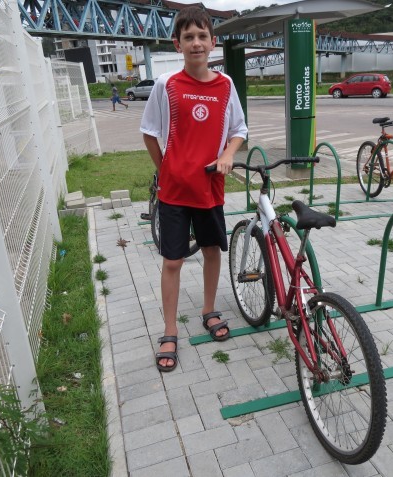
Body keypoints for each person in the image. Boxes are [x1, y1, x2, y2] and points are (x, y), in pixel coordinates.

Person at [140, 6, 248, 372]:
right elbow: (149, 132)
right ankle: (169, 330)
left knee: (211, 251)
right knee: (172, 261)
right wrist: (166, 169)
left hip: (209, 188)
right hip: (173, 191)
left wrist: (228, 154)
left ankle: (208, 309)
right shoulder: (166, 85)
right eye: (189, 37)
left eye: (202, 36)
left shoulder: (226, 85)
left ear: (213, 43)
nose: (196, 43)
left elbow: (239, 131)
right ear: (178, 44)